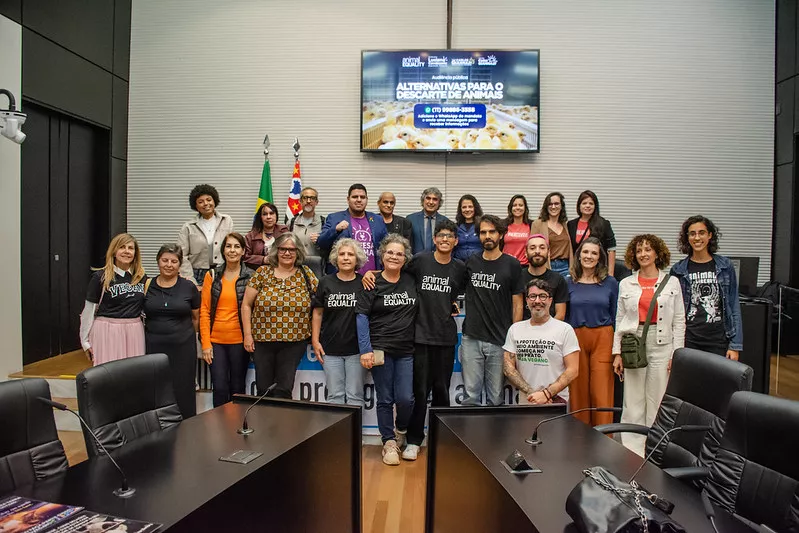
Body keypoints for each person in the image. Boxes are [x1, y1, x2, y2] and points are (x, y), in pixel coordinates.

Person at [613, 234, 685, 455]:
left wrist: (677, 354)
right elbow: (620, 318)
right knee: (633, 399)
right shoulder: (626, 283)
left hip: (662, 343)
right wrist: (616, 352)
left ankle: (654, 449)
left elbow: (679, 320)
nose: (643, 254)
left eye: (647, 249)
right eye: (639, 251)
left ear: (657, 253)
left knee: (657, 398)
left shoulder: (672, 282)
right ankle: (632, 451)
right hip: (634, 343)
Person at [403, 220, 466, 460]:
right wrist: (370, 273)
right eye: (441, 235)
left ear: (455, 241)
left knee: (441, 391)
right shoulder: (420, 260)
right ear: (435, 239)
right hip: (420, 337)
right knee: (420, 391)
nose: (445, 239)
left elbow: (460, 292)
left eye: (449, 236)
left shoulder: (459, 268)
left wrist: (451, 303)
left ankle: (442, 440)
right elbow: (397, 275)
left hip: (445, 338)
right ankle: (414, 440)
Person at [356, 235, 418, 466]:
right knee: (385, 398)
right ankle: (389, 442)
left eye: (399, 253)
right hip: (379, 348)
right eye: (390, 252)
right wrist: (365, 349)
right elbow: (361, 316)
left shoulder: (411, 280)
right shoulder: (371, 282)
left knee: (405, 398)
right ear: (382, 255)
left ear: (405, 259)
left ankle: (401, 429)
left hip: (406, 349)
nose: (394, 256)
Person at [241, 233, 318, 398]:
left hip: (294, 342)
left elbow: (321, 303)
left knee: (284, 389)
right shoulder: (262, 272)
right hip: (262, 341)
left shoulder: (306, 273)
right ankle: (263, 423)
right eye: (283, 249)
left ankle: (283, 424)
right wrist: (247, 335)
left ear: (298, 252)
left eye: (292, 249)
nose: (287, 253)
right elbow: (246, 305)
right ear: (276, 250)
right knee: (263, 389)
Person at [461, 214, 525, 406]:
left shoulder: (512, 264)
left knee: (496, 397)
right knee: (470, 396)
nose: (487, 236)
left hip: (500, 340)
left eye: (492, 232)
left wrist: (513, 341)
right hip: (471, 337)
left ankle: (493, 437)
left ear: (501, 234)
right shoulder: (471, 262)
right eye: (483, 232)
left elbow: (518, 304)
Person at [670, 216, 742, 359]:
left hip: (718, 339)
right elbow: (674, 311)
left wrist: (735, 345)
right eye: (692, 233)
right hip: (689, 339)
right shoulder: (678, 270)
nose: (697, 238)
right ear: (687, 238)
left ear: (709, 235)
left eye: (701, 232)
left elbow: (734, 306)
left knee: (716, 381)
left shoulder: (725, 266)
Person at [144, 244, 201, 418]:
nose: (169, 264)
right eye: (165, 260)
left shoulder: (189, 286)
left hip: (183, 347)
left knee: (183, 387)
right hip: (154, 347)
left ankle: (187, 427)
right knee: (157, 388)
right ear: (158, 261)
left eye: (174, 261)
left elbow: (196, 317)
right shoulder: (147, 284)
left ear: (180, 264)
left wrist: (188, 336)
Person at [567, 236, 619, 425]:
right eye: (585, 252)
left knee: (601, 391)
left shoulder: (610, 283)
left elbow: (616, 316)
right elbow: (564, 315)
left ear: (600, 258)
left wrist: (617, 350)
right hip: (576, 338)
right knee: (577, 390)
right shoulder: (569, 282)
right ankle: (579, 439)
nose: (589, 256)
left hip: (603, 337)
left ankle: (604, 439)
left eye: (594, 253)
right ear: (579, 255)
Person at [503, 279, 580, 405]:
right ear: (527, 300)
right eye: (533, 296)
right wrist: (531, 393)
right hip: (527, 401)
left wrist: (547, 394)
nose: (537, 301)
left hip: (555, 401)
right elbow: (508, 368)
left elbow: (573, 370)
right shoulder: (515, 329)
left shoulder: (565, 330)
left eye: (542, 296)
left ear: (550, 300)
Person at [199, 232, 254, 407]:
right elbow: (205, 311)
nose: (232, 250)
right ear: (223, 250)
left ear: (243, 251)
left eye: (237, 246)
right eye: (229, 246)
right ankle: (220, 430)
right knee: (220, 388)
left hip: (240, 341)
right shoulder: (212, 275)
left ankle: (238, 429)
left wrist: (249, 336)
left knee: (237, 389)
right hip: (216, 343)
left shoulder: (251, 276)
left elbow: (253, 310)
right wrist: (206, 344)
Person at [311, 238, 367, 407]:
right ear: (335, 258)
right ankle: (338, 434)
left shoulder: (364, 282)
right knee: (335, 396)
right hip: (330, 349)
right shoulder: (325, 282)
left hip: (357, 350)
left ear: (357, 259)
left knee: (355, 396)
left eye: (350, 254)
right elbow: (318, 312)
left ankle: (353, 434)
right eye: (342, 254)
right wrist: (315, 341)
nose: (346, 258)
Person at [79, 233, 147, 366]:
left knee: (134, 373)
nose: (127, 251)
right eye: (122, 247)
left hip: (135, 331)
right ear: (114, 251)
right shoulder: (100, 277)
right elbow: (88, 311)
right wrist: (85, 341)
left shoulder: (141, 278)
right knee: (108, 374)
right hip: (107, 331)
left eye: (130, 248)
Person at [318, 184, 388, 275]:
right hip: (344, 277)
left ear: (367, 200)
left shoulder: (377, 219)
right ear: (348, 199)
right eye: (355, 197)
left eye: (362, 197)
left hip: (373, 276)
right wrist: (335, 229)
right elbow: (321, 243)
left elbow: (386, 246)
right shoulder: (334, 218)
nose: (359, 200)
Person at [177, 184, 235, 285]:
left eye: (209, 200)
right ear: (195, 206)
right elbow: (182, 255)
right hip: (196, 273)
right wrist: (189, 278)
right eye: (200, 201)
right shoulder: (188, 227)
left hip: (221, 271)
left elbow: (232, 247)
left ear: (214, 201)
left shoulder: (226, 221)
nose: (206, 204)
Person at [567, 190, 617, 276]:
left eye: (591, 203)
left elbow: (611, 249)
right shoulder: (571, 224)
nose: (587, 206)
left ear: (595, 206)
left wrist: (610, 273)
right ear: (579, 206)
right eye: (584, 203)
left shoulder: (603, 223)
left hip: (599, 270)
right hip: (578, 270)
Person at [521, 234, 568, 321]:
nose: (537, 251)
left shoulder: (558, 279)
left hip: (550, 332)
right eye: (532, 248)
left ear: (549, 252)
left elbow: (560, 314)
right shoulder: (518, 277)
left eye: (542, 248)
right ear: (525, 253)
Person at [530, 192, 572, 279]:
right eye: (550, 204)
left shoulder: (565, 225)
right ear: (546, 206)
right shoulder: (537, 224)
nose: (553, 207)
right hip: (546, 266)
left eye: (556, 204)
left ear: (561, 206)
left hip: (565, 268)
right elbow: (531, 248)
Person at [289, 187, 326, 279]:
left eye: (312, 198)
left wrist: (320, 241)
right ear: (300, 201)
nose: (308, 201)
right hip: (295, 267)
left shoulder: (324, 222)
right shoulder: (291, 222)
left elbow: (329, 248)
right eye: (305, 198)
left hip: (318, 269)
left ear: (317, 202)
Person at [244, 202, 290, 270]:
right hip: (257, 273)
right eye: (265, 214)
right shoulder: (251, 236)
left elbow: (292, 252)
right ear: (261, 217)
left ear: (276, 215)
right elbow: (244, 257)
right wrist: (263, 259)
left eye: (271, 213)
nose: (269, 217)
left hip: (282, 270)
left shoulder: (285, 232)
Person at [407, 187, 450, 255]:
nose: (431, 202)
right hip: (415, 262)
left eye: (435, 199)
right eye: (428, 198)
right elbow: (406, 244)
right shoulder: (411, 219)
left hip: (438, 262)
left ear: (439, 202)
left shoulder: (445, 221)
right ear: (423, 200)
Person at [503, 194, 532, 265]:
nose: (518, 207)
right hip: (506, 264)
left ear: (525, 208)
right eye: (515, 205)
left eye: (521, 205)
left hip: (525, 265)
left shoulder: (531, 225)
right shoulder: (503, 224)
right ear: (510, 208)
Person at [453, 194, 483, 262]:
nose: (467, 209)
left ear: (475, 208)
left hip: (479, 263)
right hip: (459, 264)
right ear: (460, 209)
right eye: (464, 207)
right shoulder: (456, 227)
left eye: (470, 207)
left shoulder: (482, 225)